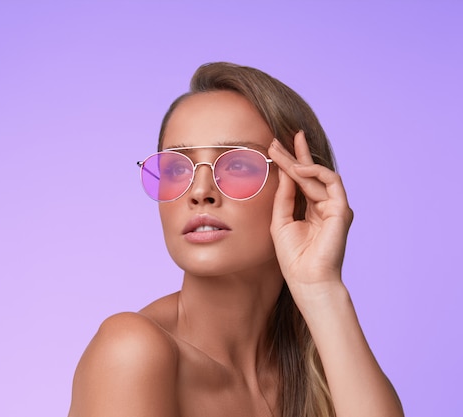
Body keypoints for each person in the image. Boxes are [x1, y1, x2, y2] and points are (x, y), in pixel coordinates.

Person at [67, 62, 404, 417]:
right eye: (177, 168)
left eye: (238, 165)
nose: (199, 191)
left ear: (301, 191)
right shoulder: (132, 351)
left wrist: (320, 287)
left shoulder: (320, 369)